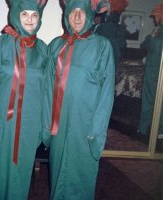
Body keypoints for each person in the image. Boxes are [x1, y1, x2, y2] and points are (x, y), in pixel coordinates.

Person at [42, 0, 115, 199]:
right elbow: (48, 89)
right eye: (72, 11)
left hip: (85, 128)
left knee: (81, 178)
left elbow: (106, 94)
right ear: (66, 14)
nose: (76, 17)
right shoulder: (57, 45)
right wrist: (47, 127)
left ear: (90, 15)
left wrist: (96, 133)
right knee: (58, 177)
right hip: (59, 125)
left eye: (81, 12)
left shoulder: (102, 46)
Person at [0, 0, 50, 199]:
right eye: (25, 14)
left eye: (34, 15)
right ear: (16, 14)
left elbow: (47, 92)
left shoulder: (43, 49)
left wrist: (43, 128)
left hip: (30, 126)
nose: (30, 19)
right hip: (3, 124)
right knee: (2, 178)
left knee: (22, 178)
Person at [138, 3, 163, 139]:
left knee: (147, 100)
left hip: (153, 73)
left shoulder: (156, 34)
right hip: (156, 72)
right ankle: (160, 131)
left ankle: (142, 128)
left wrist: (151, 36)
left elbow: (144, 45)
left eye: (156, 17)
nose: (154, 20)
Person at [94, 0, 128, 71]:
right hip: (112, 60)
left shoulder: (100, 28)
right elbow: (123, 45)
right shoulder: (119, 29)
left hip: (100, 60)